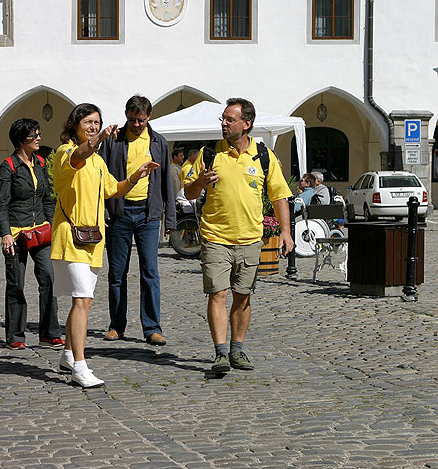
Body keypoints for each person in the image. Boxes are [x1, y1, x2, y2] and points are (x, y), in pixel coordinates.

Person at [52, 103, 159, 388]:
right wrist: (97, 140)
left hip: (93, 240)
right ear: (75, 124)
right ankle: (80, 366)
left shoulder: (99, 162)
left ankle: (66, 354)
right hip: (71, 238)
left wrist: (137, 175)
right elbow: (78, 156)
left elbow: (115, 189)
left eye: (96, 123)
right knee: (83, 300)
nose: (93, 126)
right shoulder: (66, 152)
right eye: (88, 122)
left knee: (82, 300)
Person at [184, 98, 293, 373]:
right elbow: (189, 193)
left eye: (229, 120)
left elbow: (279, 195)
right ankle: (220, 353)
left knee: (242, 296)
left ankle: (237, 350)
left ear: (247, 124)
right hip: (216, 237)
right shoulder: (209, 153)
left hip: (250, 239)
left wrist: (286, 233)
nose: (223, 123)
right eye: (223, 119)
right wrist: (200, 182)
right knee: (217, 294)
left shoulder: (263, 156)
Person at [98, 95, 176, 345]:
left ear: (148, 117)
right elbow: (102, 178)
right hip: (119, 213)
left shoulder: (158, 143)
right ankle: (116, 325)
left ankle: (152, 327)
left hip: (148, 215)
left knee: (150, 272)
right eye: (132, 119)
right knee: (117, 273)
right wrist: (104, 212)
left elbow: (167, 184)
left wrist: (170, 219)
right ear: (125, 116)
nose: (136, 124)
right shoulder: (113, 141)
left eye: (141, 120)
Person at [0, 118, 63, 350]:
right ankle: (15, 335)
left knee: (49, 279)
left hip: (40, 232)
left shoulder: (41, 163)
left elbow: (47, 198)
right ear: (21, 139)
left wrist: (52, 225)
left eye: (38, 133)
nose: (38, 138)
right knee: (16, 284)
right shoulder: (9, 166)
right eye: (34, 135)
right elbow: (2, 203)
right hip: (15, 233)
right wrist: (5, 233)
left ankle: (49, 332)